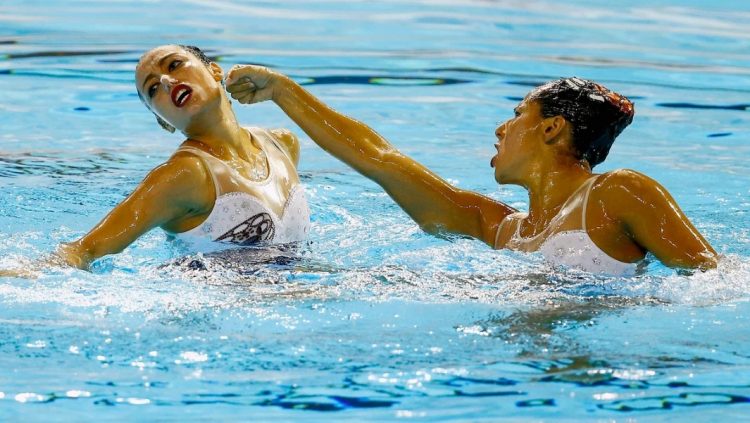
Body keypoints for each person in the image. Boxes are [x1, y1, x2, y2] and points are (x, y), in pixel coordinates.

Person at [224, 67, 717, 275]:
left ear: (550, 130)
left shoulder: (619, 192)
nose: (501, 129)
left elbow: (713, 282)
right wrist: (285, 91)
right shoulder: (500, 229)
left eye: (517, 114)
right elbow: (380, 160)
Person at [3, 45, 310, 274]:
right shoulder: (183, 176)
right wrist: (19, 271)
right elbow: (85, 250)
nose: (165, 81)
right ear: (164, 122)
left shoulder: (282, 144)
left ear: (215, 71)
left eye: (175, 65)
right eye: (152, 89)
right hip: (226, 311)